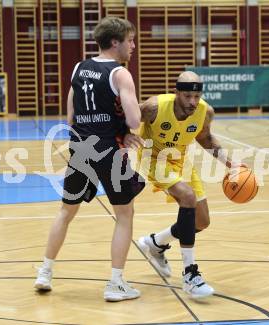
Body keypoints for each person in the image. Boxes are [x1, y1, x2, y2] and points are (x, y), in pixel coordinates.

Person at [34, 17, 144, 302]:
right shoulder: (121, 74)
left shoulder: (78, 68)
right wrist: (124, 129)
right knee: (124, 215)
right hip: (110, 151)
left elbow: (70, 117)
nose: (133, 46)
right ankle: (116, 283)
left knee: (65, 212)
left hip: (81, 148)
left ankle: (45, 272)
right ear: (115, 42)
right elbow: (134, 118)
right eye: (130, 40)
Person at [123, 71, 244, 299]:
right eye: (187, 96)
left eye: (196, 96)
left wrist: (231, 163)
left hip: (180, 161)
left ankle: (156, 242)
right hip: (153, 159)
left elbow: (206, 139)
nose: (192, 102)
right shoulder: (154, 107)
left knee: (202, 221)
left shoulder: (204, 112)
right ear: (176, 92)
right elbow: (125, 116)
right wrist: (125, 135)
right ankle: (190, 275)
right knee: (187, 197)